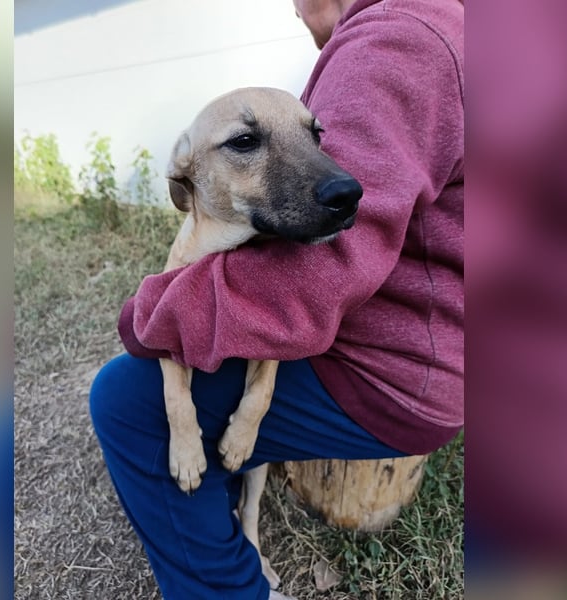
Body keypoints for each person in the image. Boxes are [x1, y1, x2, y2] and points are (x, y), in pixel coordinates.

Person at [89, 0, 463, 598]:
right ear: (184, 175)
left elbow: (317, 275)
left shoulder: (394, 43)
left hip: (393, 371)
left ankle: (234, 582)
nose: (296, 12)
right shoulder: (420, 31)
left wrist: (153, 316)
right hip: (415, 348)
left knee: (122, 402)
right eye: (246, 141)